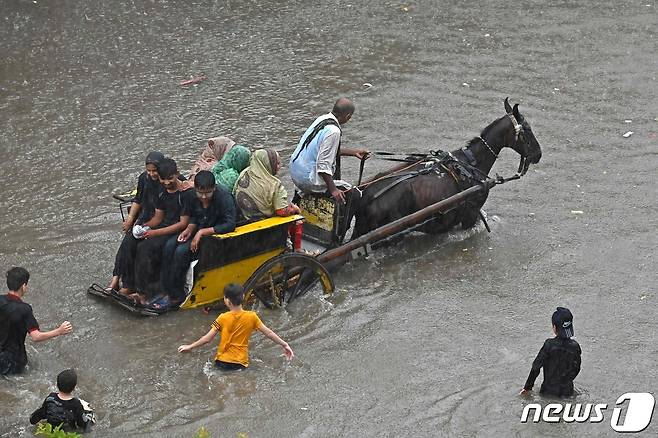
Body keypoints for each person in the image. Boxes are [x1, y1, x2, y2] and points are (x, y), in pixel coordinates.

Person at [160, 170, 236, 306]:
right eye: (200, 193)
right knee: (169, 245)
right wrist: (189, 229)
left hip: (215, 236)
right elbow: (194, 215)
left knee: (181, 251)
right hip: (197, 230)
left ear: (214, 188)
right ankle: (167, 288)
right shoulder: (193, 196)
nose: (204, 197)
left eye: (207, 193)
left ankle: (177, 296)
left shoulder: (224, 197)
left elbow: (230, 224)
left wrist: (201, 233)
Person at [178, 283, 294, 371]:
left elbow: (207, 339)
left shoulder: (222, 318)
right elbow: (269, 333)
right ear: (243, 296)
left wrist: (190, 346)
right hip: (240, 363)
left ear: (227, 301)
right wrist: (285, 344)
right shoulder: (252, 317)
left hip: (221, 362)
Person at [130, 158, 194, 304]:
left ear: (177, 174)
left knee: (146, 248)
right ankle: (136, 287)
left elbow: (182, 223)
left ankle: (146, 294)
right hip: (164, 226)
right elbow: (158, 217)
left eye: (170, 179)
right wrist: (144, 227)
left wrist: (154, 233)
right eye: (163, 180)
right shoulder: (161, 192)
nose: (166, 183)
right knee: (138, 244)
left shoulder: (185, 193)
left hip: (178, 230)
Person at [289, 97, 370, 204]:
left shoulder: (322, 119)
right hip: (308, 180)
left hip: (296, 174)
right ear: (348, 116)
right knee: (353, 194)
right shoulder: (334, 131)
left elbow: (323, 150)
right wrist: (333, 190)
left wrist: (354, 152)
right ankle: (342, 220)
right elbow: (323, 166)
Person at [107, 151, 165, 293]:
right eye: (149, 171)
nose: (152, 174)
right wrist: (130, 220)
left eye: (155, 171)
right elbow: (138, 200)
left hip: (161, 223)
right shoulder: (144, 179)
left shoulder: (167, 180)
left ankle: (138, 288)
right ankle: (120, 281)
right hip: (146, 218)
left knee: (142, 249)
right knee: (127, 244)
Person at [0, 267, 73, 375]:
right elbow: (36, 336)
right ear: (24, 286)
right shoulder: (24, 309)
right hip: (13, 360)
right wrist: (59, 331)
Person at [234, 149, 303, 250]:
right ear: (267, 164)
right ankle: (296, 250)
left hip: (244, 219)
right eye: (277, 163)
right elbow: (281, 211)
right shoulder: (274, 185)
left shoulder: (244, 174)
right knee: (297, 220)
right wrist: (294, 209)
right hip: (264, 225)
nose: (279, 167)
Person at [520, 307, 582, 397]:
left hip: (547, 392)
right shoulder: (575, 347)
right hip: (567, 392)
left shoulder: (549, 345)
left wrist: (527, 387)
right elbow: (576, 368)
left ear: (554, 327)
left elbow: (535, 367)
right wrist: (566, 382)